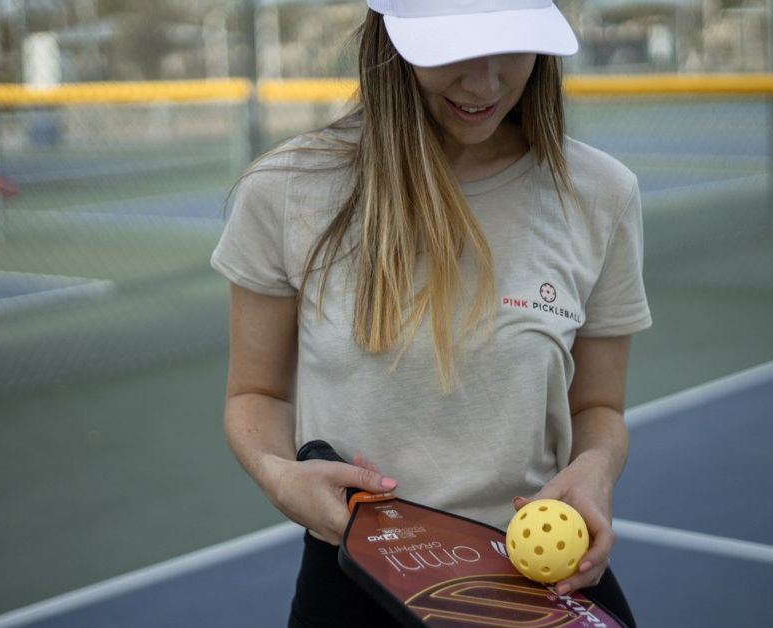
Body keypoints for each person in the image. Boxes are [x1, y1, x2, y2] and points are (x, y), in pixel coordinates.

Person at [211, 1, 650, 626]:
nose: (485, 83)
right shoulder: (283, 191)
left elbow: (598, 408)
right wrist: (279, 476)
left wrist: (595, 471)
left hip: (536, 578)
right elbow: (254, 394)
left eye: (511, 46)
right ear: (388, 42)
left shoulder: (602, 193)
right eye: (453, 51)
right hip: (352, 576)